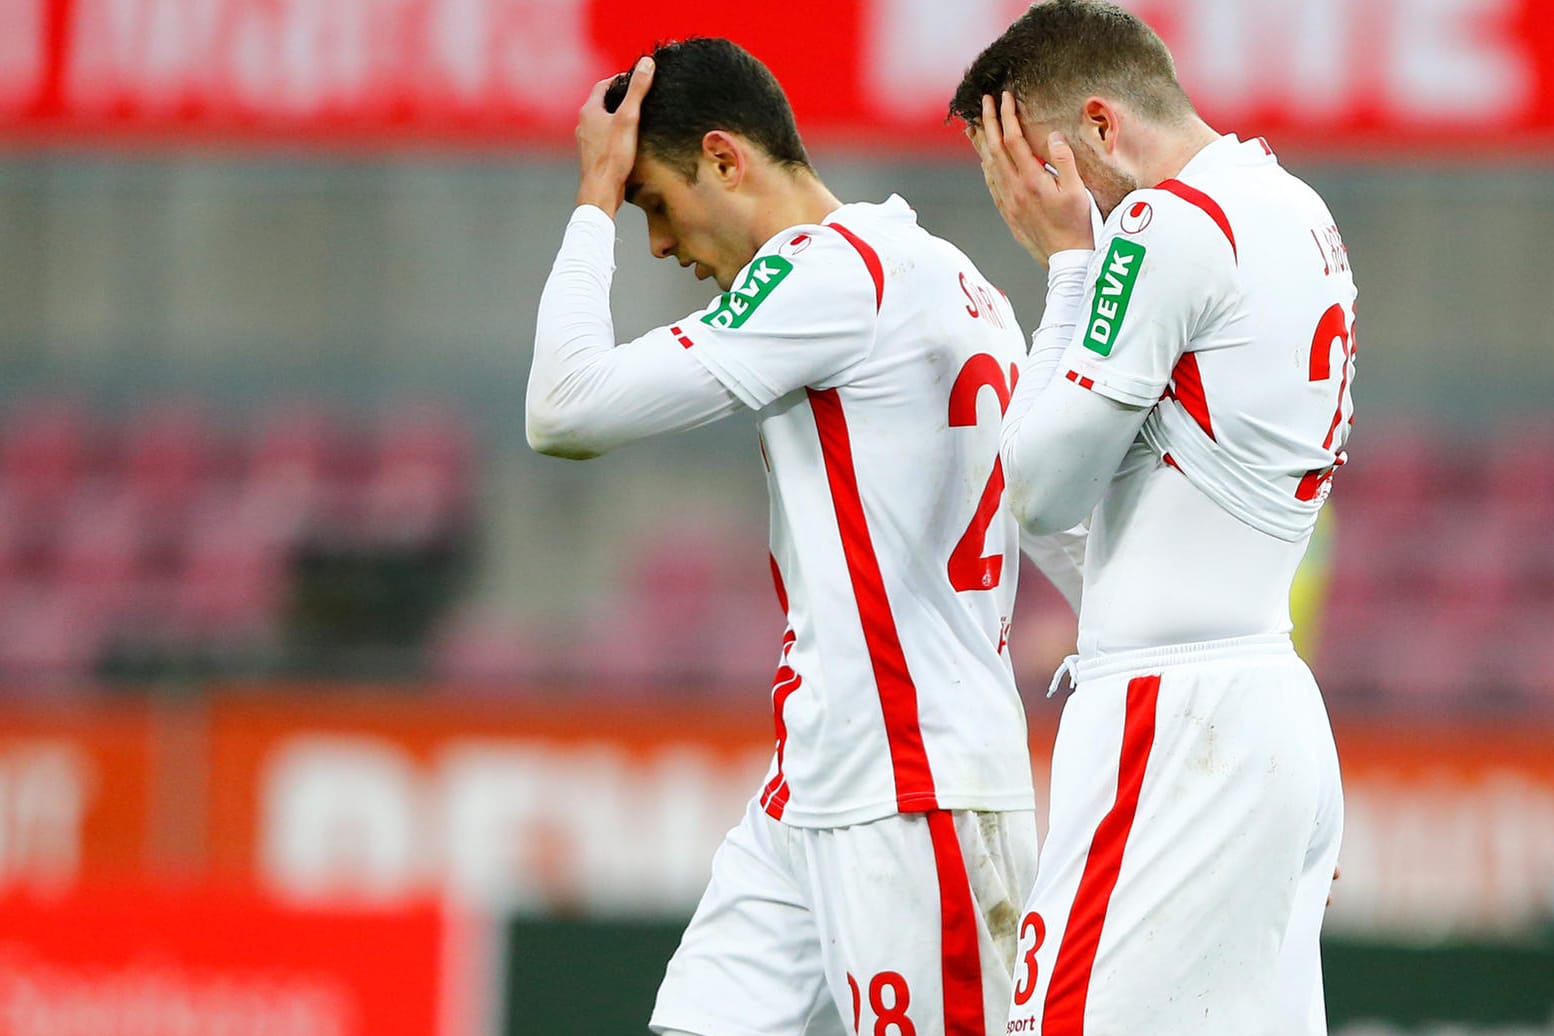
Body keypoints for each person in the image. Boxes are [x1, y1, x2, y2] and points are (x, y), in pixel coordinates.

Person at [528, 37, 1085, 1036]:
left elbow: (562, 409)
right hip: (819, 781)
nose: (656, 242)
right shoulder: (951, 276)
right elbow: (1064, 527)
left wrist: (587, 203)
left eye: (652, 200)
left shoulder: (823, 276)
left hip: (917, 796)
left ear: (727, 158)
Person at [948, 1, 1354, 1032]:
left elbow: (1036, 486)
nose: (1033, 198)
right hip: (1269, 702)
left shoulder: (1162, 224)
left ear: (1098, 126)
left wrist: (1066, 268)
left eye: (1036, 167)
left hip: (1173, 722)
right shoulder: (1294, 207)